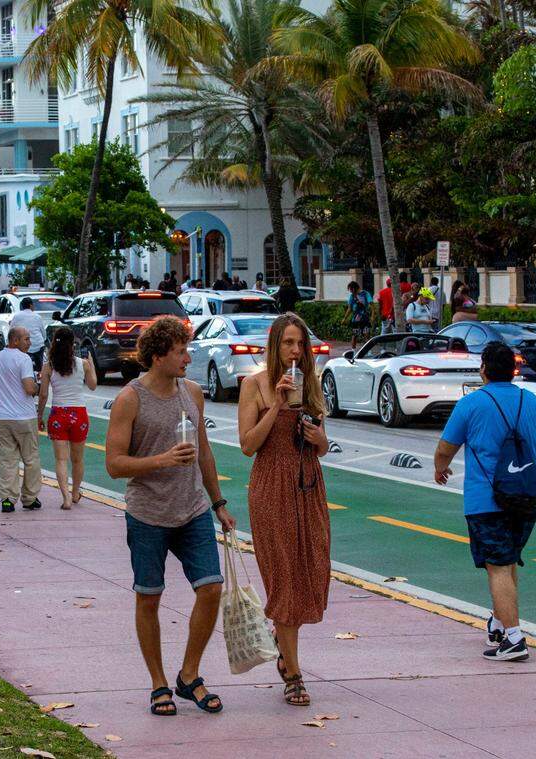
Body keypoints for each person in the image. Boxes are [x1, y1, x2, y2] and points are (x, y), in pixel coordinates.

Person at [105, 316, 235, 717]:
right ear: (159, 356)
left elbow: (206, 452)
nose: (188, 358)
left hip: (192, 508)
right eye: (181, 351)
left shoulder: (192, 393)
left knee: (211, 588)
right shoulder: (131, 399)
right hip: (148, 514)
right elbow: (113, 464)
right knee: (149, 598)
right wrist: (161, 460)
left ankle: (189, 675)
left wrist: (218, 503)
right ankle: (158, 683)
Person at [433, 342, 536, 662]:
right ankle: (499, 624)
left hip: (485, 501)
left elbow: (446, 448)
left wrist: (440, 468)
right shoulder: (532, 402)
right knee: (508, 560)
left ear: (484, 370)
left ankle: (514, 638)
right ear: (514, 371)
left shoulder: (471, 404)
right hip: (528, 498)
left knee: (498, 566)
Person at [237, 313, 330, 706]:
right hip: (272, 487)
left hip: (308, 486)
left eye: (300, 344)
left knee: (310, 572)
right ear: (274, 346)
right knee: (284, 579)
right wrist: (275, 406)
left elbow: (323, 447)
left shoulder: (311, 385)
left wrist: (320, 437)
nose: (295, 351)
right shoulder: (253, 385)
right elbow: (247, 444)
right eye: (288, 343)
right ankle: (293, 673)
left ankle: (283, 642)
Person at [37, 327, 97, 509]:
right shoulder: (83, 364)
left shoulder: (48, 366)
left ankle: (65, 498)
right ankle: (76, 492)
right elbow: (93, 385)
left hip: (58, 415)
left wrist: (40, 415)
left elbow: (43, 395)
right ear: (73, 344)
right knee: (77, 459)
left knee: (61, 460)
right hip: (79, 414)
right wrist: (91, 364)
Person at [0, 326, 42, 513]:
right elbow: (29, 388)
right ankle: (29, 497)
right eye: (26, 339)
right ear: (15, 340)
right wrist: (38, 386)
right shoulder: (24, 359)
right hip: (25, 416)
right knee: (30, 458)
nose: (30, 342)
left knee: (7, 460)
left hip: (3, 417)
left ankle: (7, 499)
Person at [9, 296, 47, 371]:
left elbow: (11, 330)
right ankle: (40, 376)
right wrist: (44, 339)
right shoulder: (37, 317)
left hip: (22, 345)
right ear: (31, 305)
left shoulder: (17, 316)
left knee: (22, 366)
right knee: (40, 365)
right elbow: (43, 332)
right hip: (38, 344)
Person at [345, 281, 372, 349]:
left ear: (354, 288)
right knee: (355, 335)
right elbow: (350, 308)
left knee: (366, 334)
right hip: (356, 319)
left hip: (365, 317)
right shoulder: (352, 296)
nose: (350, 291)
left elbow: (372, 305)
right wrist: (345, 318)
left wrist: (372, 316)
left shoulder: (365, 294)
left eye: (351, 289)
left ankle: (368, 350)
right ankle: (353, 351)